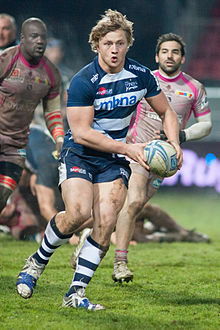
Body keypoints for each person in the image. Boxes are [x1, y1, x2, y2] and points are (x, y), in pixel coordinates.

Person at [16, 10, 182, 311]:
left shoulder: (140, 75)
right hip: (80, 153)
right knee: (77, 214)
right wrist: (128, 148)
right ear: (97, 45)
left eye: (120, 43)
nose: (115, 50)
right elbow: (81, 133)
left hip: (113, 159)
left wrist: (173, 142)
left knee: (106, 223)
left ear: (128, 44)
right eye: (108, 43)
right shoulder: (84, 81)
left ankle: (75, 294)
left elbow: (167, 112)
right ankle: (35, 264)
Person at [111, 32, 212, 283]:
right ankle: (120, 263)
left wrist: (182, 136)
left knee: (132, 207)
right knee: (133, 202)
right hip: (137, 151)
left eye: (175, 52)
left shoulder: (194, 88)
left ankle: (91, 236)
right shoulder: (143, 80)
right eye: (165, 51)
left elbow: (206, 124)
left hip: (163, 161)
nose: (170, 56)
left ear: (183, 57)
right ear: (157, 56)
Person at [0, 17, 64, 213]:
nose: (40, 41)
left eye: (42, 37)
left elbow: (52, 111)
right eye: (34, 36)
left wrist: (59, 137)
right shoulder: (6, 60)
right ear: (22, 38)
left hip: (16, 145)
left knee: (2, 198)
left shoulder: (51, 74)